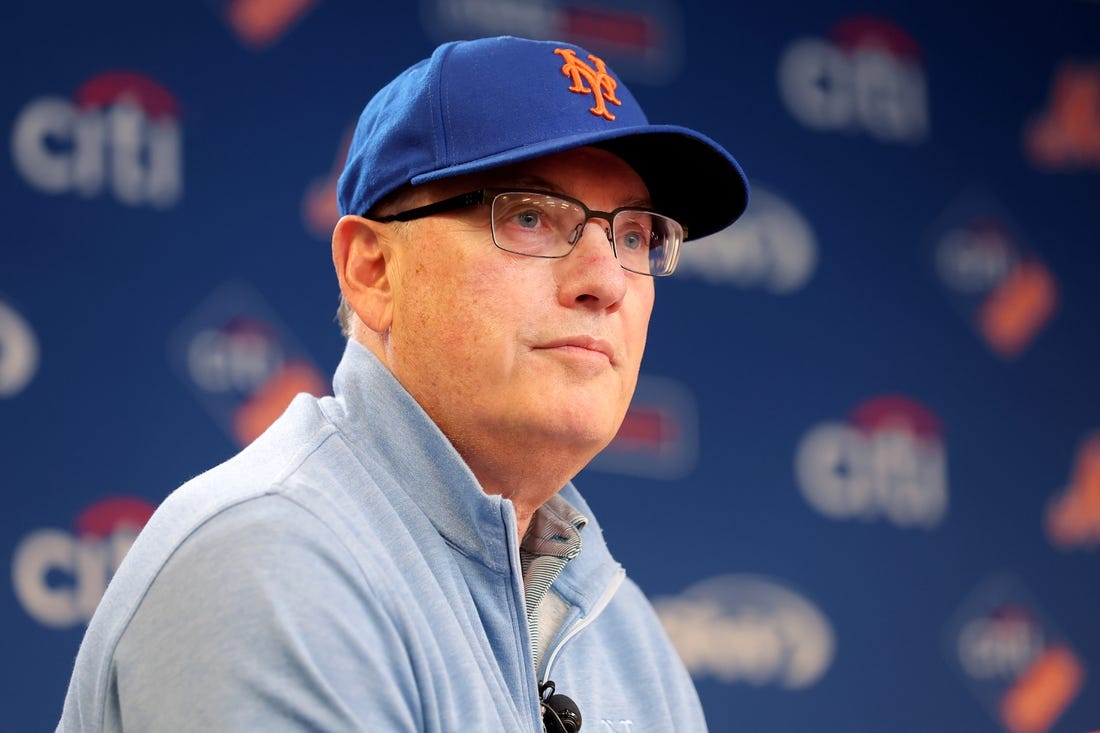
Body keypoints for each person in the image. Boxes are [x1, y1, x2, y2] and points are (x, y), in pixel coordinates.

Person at [55, 35, 748, 732]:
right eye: (530, 215)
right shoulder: (274, 560)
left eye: (634, 236)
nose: (605, 282)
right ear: (373, 272)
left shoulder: (625, 637)